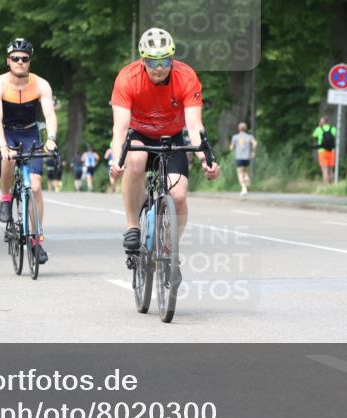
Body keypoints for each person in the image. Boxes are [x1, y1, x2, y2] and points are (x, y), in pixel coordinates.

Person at [108, 27, 220, 282]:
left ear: (172, 58)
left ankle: (170, 251)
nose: (159, 68)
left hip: (172, 137)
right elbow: (120, 128)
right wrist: (118, 160)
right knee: (135, 162)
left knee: (178, 196)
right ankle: (132, 226)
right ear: (142, 60)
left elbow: (194, 126)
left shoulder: (186, 76)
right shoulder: (127, 78)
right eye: (152, 62)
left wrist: (206, 160)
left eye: (165, 61)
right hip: (138, 134)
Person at [0, 37, 58, 264]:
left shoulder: (41, 84)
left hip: (30, 134)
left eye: (24, 59)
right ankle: (6, 198)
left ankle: (37, 241)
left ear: (30, 62)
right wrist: (3, 145)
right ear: (8, 61)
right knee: (8, 160)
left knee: (36, 187)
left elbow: (49, 115)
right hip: (6, 132)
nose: (20, 62)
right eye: (15, 58)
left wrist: (51, 139)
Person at [229, 122, 257, 196]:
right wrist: (253, 152)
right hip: (247, 157)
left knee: (240, 173)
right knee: (245, 171)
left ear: (239, 129)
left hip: (239, 157)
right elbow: (255, 143)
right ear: (246, 128)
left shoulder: (235, 137)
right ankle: (247, 178)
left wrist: (234, 147)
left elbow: (231, 148)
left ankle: (244, 188)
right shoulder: (249, 136)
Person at [312, 116, 337, 184]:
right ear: (328, 121)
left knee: (324, 170)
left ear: (322, 122)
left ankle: (326, 187)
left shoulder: (319, 129)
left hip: (322, 151)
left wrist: (319, 127)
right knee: (331, 170)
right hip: (331, 151)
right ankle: (332, 186)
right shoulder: (333, 128)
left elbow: (313, 136)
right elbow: (335, 136)